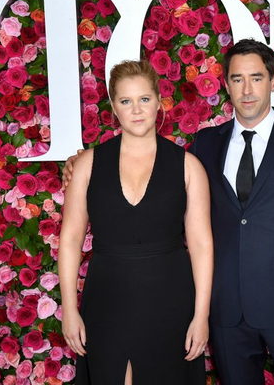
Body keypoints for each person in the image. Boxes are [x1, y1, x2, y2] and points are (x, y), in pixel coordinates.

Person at [64, 40, 274, 385]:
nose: (247, 89)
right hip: (225, 315)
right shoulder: (205, 145)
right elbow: (153, 177)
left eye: (256, 78)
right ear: (225, 85)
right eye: (237, 79)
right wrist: (79, 165)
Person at [58, 60, 213, 385]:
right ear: (114, 107)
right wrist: (70, 310)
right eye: (126, 101)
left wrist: (201, 316)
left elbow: (200, 244)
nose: (137, 109)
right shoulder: (87, 165)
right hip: (107, 300)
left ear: (158, 101)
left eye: (144, 99)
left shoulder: (189, 167)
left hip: (170, 300)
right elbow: (71, 239)